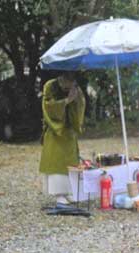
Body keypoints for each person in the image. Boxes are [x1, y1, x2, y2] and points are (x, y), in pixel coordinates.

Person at [39, 72, 86, 207]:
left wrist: (76, 99)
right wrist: (66, 101)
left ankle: (69, 192)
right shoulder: (50, 86)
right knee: (56, 163)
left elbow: (81, 104)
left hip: (69, 131)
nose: (70, 84)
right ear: (63, 78)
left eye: (73, 82)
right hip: (56, 131)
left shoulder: (75, 87)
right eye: (68, 82)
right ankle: (59, 194)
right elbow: (48, 106)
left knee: (71, 163)